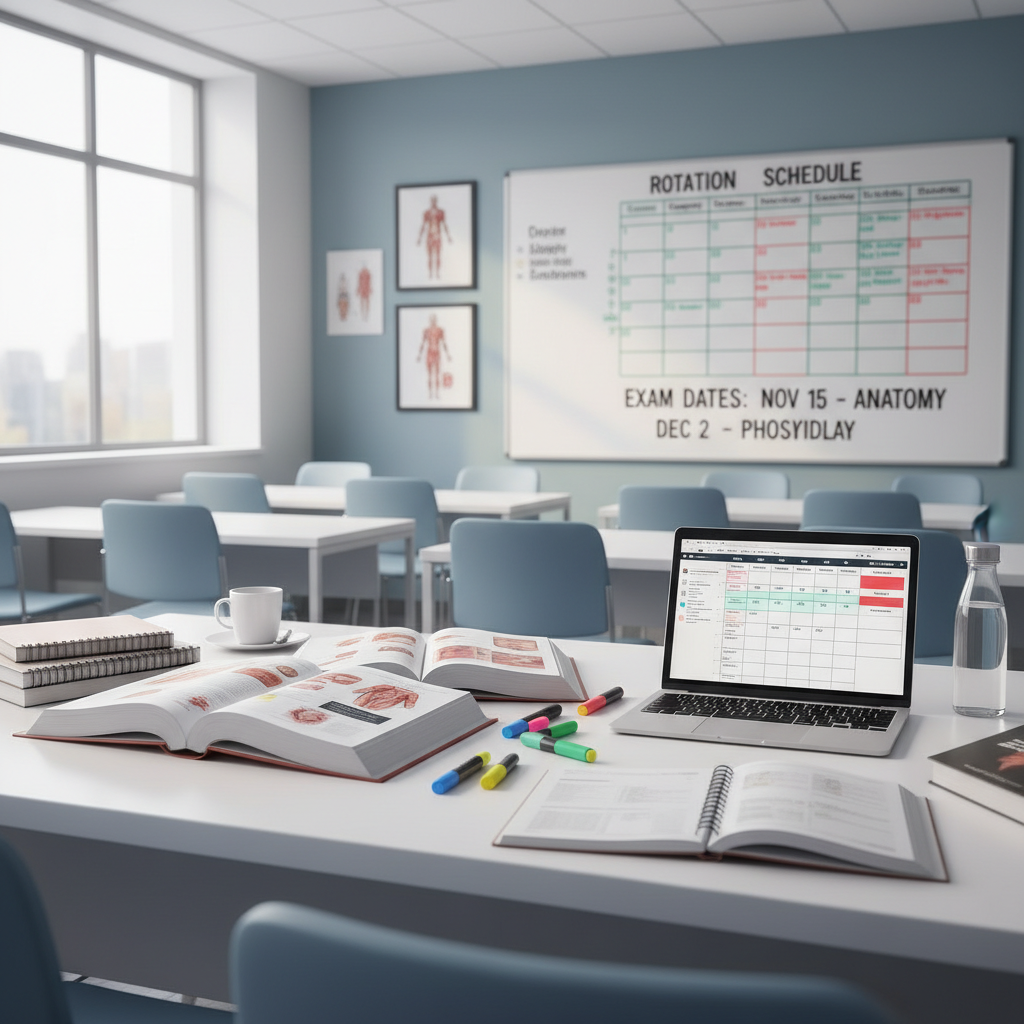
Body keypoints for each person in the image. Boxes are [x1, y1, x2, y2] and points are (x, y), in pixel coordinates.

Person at [417, 194, 452, 279]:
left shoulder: (441, 212)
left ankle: (437, 273)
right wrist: (419, 238)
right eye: (432, 201)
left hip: (437, 236)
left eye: (434, 201)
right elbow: (423, 225)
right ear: (430, 202)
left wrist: (448, 236)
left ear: (436, 201)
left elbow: (444, 224)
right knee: (430, 256)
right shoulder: (427, 213)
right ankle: (430, 273)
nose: (433, 202)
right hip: (430, 236)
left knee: (438, 255)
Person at [417, 314, 451, 399]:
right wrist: (419, 355)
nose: (432, 321)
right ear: (430, 320)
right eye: (431, 319)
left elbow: (444, 343)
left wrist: (447, 354)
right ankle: (430, 393)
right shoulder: (426, 330)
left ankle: (437, 393)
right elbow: (423, 342)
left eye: (434, 319)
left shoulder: (440, 330)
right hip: (430, 352)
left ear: (436, 320)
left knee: (437, 374)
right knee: (429, 374)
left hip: (436, 352)